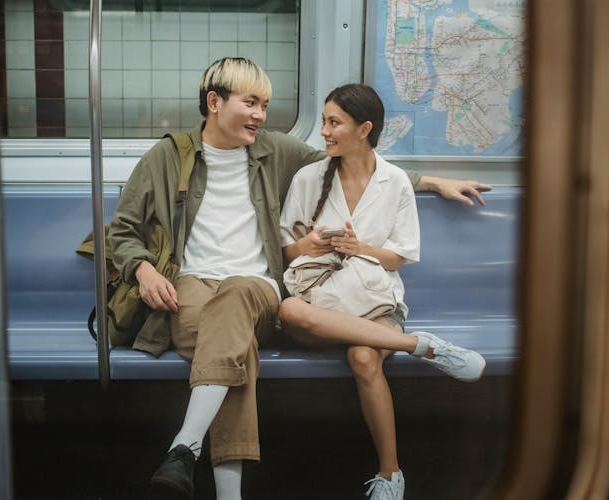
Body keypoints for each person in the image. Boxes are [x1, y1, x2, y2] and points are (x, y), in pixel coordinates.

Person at [109, 57, 490, 500]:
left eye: (265, 105)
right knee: (232, 354)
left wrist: (431, 180)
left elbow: (356, 160)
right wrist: (144, 267)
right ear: (214, 103)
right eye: (251, 103)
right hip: (191, 285)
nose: (260, 115)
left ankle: (184, 447)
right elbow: (124, 228)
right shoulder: (167, 157)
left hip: (257, 287)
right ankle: (203, 472)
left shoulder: (275, 150)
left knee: (235, 300)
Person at [278, 83, 486, 500]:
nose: (323, 131)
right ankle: (418, 346)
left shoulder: (394, 183)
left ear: (364, 129)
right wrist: (313, 245)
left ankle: (391, 475)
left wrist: (361, 249)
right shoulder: (309, 177)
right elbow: (288, 250)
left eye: (334, 122)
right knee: (289, 312)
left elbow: (399, 257)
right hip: (321, 304)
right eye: (322, 121)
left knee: (362, 356)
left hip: (373, 302)